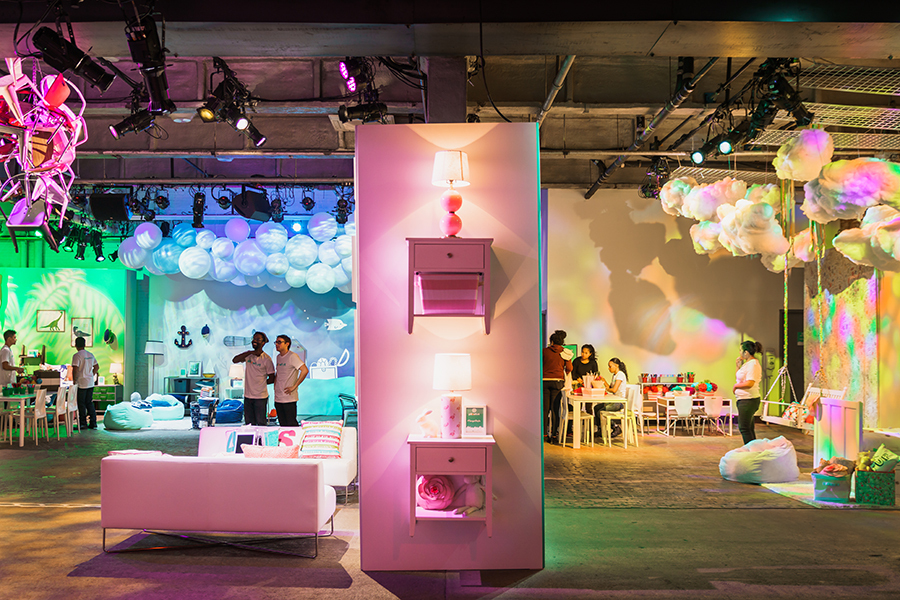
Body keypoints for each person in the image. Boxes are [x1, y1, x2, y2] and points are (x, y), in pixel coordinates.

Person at [232, 332, 275, 426]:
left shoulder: (267, 359)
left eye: (258, 339)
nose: (255, 341)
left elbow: (272, 378)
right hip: (248, 396)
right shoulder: (248, 356)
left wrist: (260, 383)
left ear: (263, 343)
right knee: (249, 424)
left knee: (261, 423)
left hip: (260, 397)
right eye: (254, 339)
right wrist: (250, 352)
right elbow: (235, 360)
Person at [542, 329, 572, 443]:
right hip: (558, 382)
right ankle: (554, 435)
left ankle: (544, 434)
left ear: (552, 342)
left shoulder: (544, 351)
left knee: (545, 409)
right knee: (555, 409)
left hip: (545, 381)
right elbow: (569, 368)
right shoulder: (565, 352)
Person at [273, 334, 309, 427]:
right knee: (282, 424)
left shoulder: (292, 356)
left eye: (279, 342)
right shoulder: (278, 357)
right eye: (276, 342)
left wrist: (294, 386)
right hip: (278, 396)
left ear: (287, 344)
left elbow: (305, 370)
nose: (277, 344)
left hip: (289, 397)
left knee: (291, 424)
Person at [734, 340, 764, 445]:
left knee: (744, 428)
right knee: (748, 428)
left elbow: (750, 383)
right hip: (744, 400)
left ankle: (751, 450)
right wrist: (737, 366)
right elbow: (739, 379)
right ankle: (753, 449)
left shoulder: (753, 364)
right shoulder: (747, 364)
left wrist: (735, 386)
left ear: (746, 352)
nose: (739, 352)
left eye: (740, 350)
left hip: (748, 400)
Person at [593, 357, 629, 437]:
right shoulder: (615, 375)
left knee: (600, 412)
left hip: (619, 402)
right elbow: (610, 387)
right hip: (614, 400)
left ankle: (616, 427)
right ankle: (600, 429)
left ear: (616, 366)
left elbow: (614, 390)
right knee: (596, 407)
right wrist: (603, 381)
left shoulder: (620, 375)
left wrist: (607, 389)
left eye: (610, 366)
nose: (609, 368)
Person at [72, 336, 99, 429]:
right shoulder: (90, 354)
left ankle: (83, 423)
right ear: (84, 345)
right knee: (89, 402)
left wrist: (74, 380)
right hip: (90, 382)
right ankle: (93, 422)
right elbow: (97, 367)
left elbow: (75, 369)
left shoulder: (77, 356)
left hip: (81, 383)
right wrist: (91, 374)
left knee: (81, 404)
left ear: (76, 345)